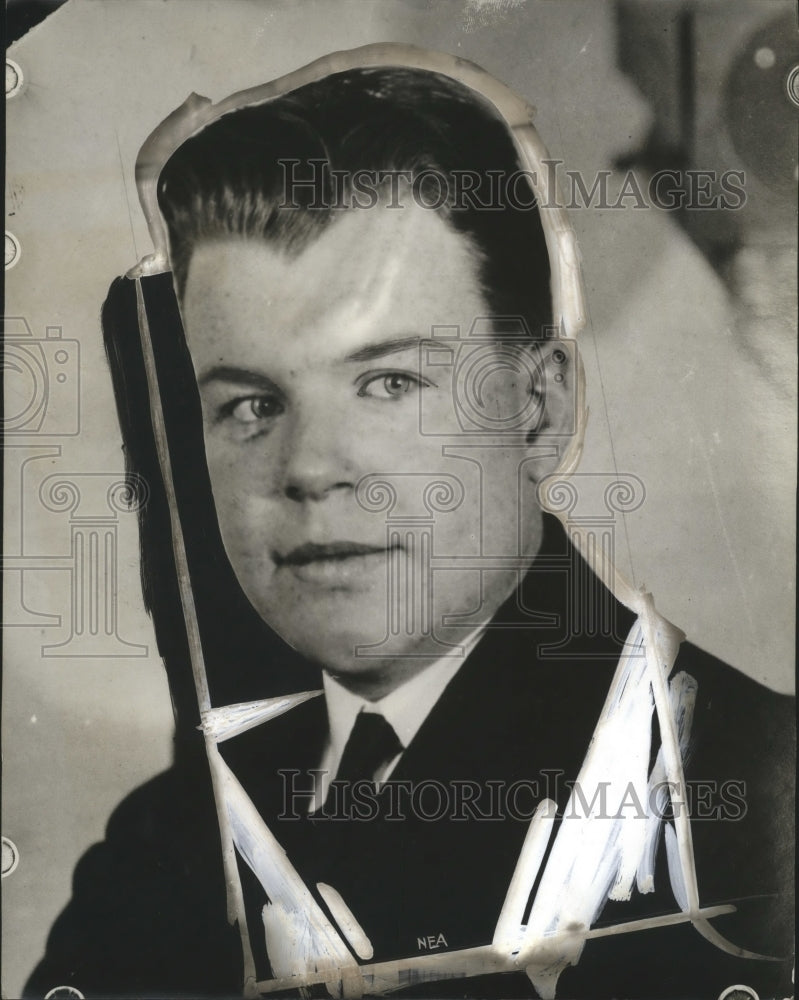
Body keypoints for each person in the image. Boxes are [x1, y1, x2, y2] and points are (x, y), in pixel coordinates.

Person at [25, 49, 794, 1000]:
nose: (307, 469)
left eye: (389, 384)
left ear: (538, 408)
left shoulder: (756, 810)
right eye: (250, 405)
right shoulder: (163, 853)